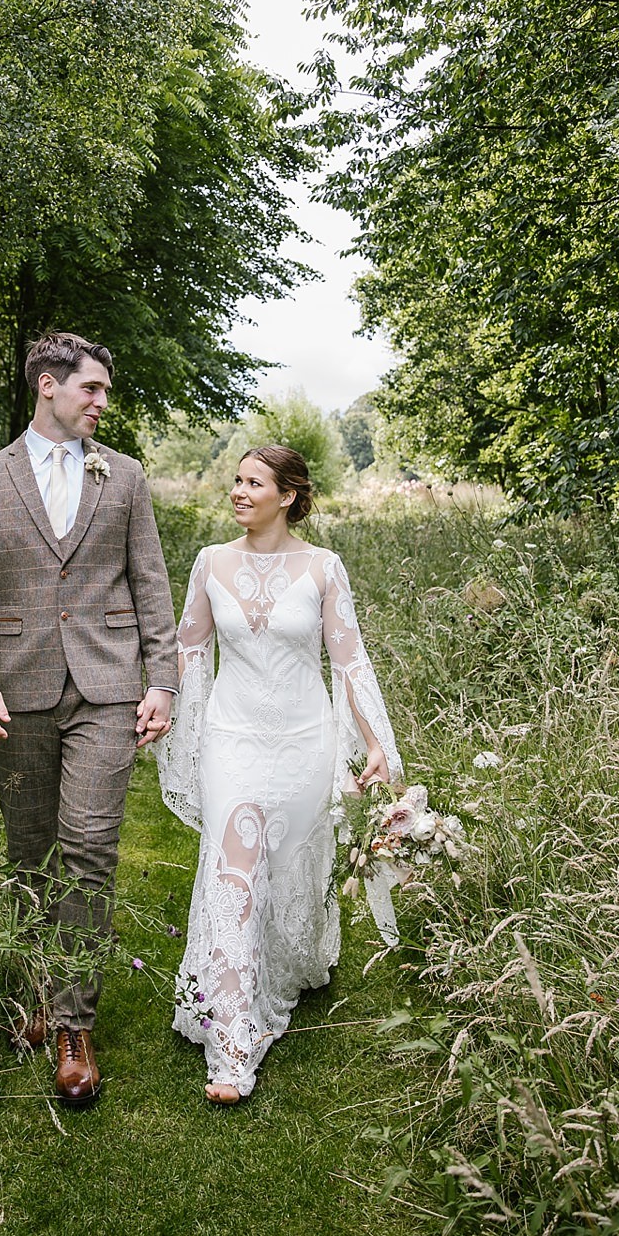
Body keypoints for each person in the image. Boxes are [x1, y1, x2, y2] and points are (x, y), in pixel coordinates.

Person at [0, 331, 178, 1106]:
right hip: (19, 688)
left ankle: (75, 1025)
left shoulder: (127, 478)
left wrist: (164, 681)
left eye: (105, 391)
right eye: (93, 389)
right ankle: (42, 989)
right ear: (49, 385)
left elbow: (151, 583)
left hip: (108, 688)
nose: (103, 403)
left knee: (89, 846)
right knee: (30, 854)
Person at [155, 445, 402, 1103]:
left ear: (288, 495)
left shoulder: (322, 567)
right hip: (231, 740)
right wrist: (164, 709)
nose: (238, 491)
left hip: (303, 741)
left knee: (289, 866)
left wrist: (374, 742)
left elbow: (349, 661)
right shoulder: (210, 562)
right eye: (235, 480)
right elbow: (187, 650)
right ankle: (233, 1048)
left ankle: (285, 965)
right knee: (234, 871)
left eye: (253, 482)